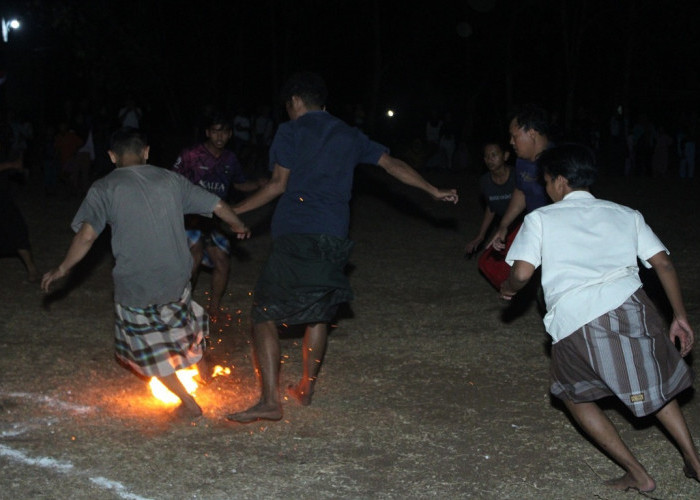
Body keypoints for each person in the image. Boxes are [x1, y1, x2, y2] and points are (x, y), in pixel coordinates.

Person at [227, 71, 459, 423]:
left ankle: (270, 401)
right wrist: (432, 189)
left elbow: (277, 185)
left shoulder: (291, 131)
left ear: (294, 102)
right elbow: (391, 163)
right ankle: (305, 388)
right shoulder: (348, 134)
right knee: (319, 312)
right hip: (334, 235)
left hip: (298, 233)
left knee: (263, 313)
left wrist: (232, 212)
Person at [500, 144, 700, 493]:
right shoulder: (626, 213)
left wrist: (508, 288)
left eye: (547, 182)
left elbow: (521, 273)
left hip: (578, 319)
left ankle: (638, 473)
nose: (546, 189)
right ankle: (694, 460)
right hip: (636, 308)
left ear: (561, 181)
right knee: (655, 386)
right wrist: (679, 316)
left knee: (573, 396)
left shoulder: (541, 219)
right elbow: (664, 264)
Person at [41, 128, 251, 419]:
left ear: (113, 156)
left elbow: (87, 236)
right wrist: (238, 225)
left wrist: (62, 267)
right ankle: (200, 365)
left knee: (147, 349)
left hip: (136, 283)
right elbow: (216, 204)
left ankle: (188, 403)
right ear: (147, 152)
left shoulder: (104, 188)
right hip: (177, 276)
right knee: (180, 318)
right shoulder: (171, 180)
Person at [173, 113, 265, 319]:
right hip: (192, 217)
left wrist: (259, 185)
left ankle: (214, 309)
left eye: (224, 131)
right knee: (193, 258)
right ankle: (181, 305)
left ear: (230, 134)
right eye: (215, 131)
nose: (219, 136)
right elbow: (172, 180)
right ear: (208, 132)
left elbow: (239, 184)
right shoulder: (191, 155)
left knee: (222, 262)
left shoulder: (230, 159)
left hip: (216, 219)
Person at [486, 104, 551, 251]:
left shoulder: (561, 161)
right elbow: (522, 191)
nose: (511, 142)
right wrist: (503, 225)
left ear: (532, 133)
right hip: (535, 231)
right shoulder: (522, 161)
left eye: (514, 136)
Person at [465, 140, 515, 255]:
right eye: (486, 156)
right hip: (504, 227)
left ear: (505, 156)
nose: (489, 159)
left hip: (522, 224)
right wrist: (480, 236)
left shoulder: (517, 176)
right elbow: (491, 207)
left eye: (494, 155)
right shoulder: (485, 181)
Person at [0, 155, 39, 282]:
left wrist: (19, 168)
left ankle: (32, 269)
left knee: (18, 233)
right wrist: (12, 165)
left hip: (4, 202)